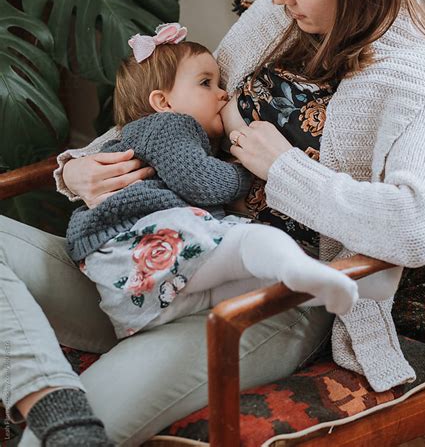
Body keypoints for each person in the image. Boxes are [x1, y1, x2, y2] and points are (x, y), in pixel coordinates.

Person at [0, 0, 425, 447]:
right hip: (149, 257)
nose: (279, 0)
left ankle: (59, 414)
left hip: (268, 298)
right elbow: (177, 111)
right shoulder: (271, 18)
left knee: (60, 440)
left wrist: (285, 169)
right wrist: (80, 168)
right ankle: (48, 395)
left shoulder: (418, 76)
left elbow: (416, 229)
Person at [67, 21, 357, 342]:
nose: (223, 93)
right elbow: (201, 182)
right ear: (163, 103)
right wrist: (246, 171)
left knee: (252, 280)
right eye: (206, 83)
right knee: (250, 241)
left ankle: (340, 286)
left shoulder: (153, 134)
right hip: (141, 245)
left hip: (150, 295)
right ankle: (324, 276)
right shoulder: (168, 127)